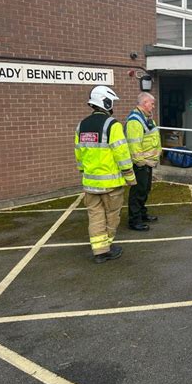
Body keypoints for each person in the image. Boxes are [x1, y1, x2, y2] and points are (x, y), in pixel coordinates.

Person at [75, 85, 136, 264]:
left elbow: (79, 153)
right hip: (111, 184)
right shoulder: (113, 125)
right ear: (105, 102)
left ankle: (99, 251)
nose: (112, 107)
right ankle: (107, 246)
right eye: (111, 103)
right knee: (111, 215)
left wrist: (84, 171)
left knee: (95, 216)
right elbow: (122, 154)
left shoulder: (82, 125)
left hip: (90, 184)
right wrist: (130, 177)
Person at [126, 92, 162, 231]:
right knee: (138, 192)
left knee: (145, 190)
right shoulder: (135, 121)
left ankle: (142, 214)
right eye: (151, 104)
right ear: (144, 103)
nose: (153, 107)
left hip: (148, 162)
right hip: (141, 163)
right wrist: (141, 162)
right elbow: (134, 146)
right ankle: (134, 220)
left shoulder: (146, 119)